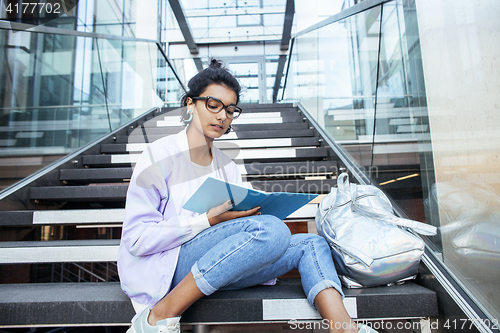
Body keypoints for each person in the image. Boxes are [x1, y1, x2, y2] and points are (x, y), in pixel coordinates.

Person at [117, 59, 377, 333]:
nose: (222, 116)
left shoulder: (227, 165)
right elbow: (136, 240)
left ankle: (344, 328)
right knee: (273, 231)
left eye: (230, 110)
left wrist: (252, 214)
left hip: (221, 260)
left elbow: (239, 228)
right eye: (213, 105)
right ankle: (160, 315)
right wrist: (206, 220)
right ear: (190, 104)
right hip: (166, 265)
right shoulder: (159, 155)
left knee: (311, 244)